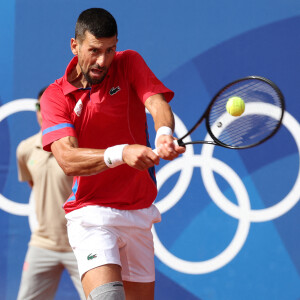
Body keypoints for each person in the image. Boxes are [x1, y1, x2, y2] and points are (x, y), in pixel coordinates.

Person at [41, 8, 185, 300]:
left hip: (138, 213)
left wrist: (164, 134)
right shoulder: (55, 96)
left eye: (110, 50)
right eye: (94, 50)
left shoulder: (129, 62)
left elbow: (156, 104)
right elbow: (68, 159)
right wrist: (122, 152)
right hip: (91, 215)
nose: (102, 60)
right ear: (75, 45)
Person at [16, 88, 85, 300]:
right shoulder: (25, 149)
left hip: (82, 243)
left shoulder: (80, 148)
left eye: (47, 107)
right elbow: (34, 185)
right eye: (38, 107)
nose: (42, 112)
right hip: (42, 243)